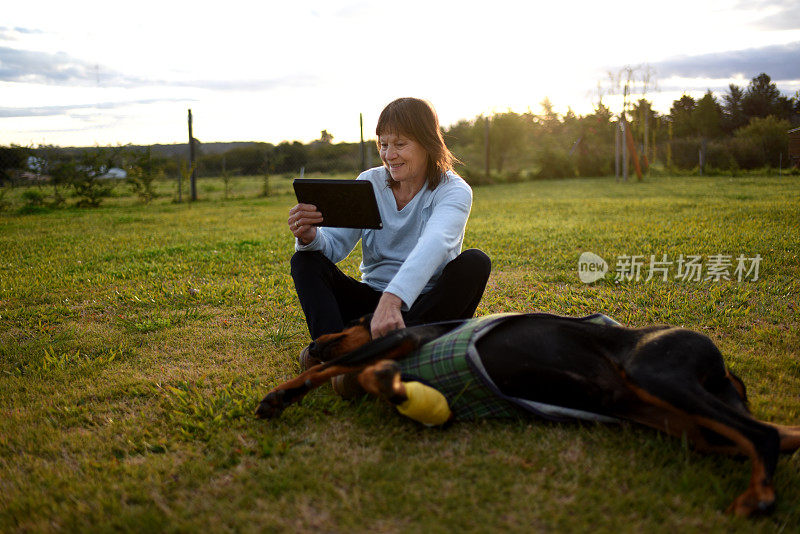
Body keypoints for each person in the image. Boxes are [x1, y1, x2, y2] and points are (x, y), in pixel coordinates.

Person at [287, 97, 491, 392]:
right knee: (305, 260)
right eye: (383, 144)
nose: (389, 154)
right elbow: (335, 246)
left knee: (475, 262)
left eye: (400, 144)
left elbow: (436, 242)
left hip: (424, 307)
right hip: (371, 302)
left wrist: (393, 299)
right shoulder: (369, 182)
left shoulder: (454, 190)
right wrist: (310, 237)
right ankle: (338, 355)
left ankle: (359, 353)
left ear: (427, 143)